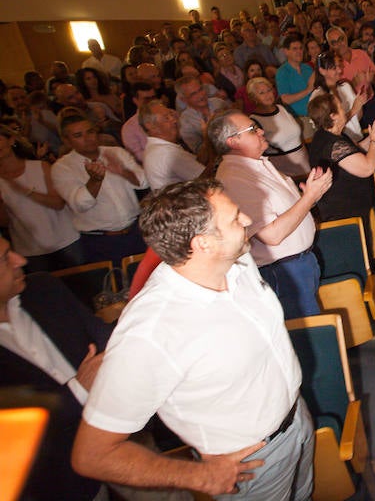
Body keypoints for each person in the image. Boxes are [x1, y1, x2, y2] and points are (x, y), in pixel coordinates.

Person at [71, 180, 316, 500]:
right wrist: (198, 476)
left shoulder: (235, 263)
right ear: (203, 244)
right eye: (235, 218)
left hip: (297, 418)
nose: (246, 220)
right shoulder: (151, 333)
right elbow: (93, 455)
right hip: (252, 464)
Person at [0, 239, 111, 500]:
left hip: (120, 435)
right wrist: (77, 392)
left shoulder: (43, 288)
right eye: (5, 258)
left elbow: (103, 339)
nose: (21, 260)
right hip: (58, 484)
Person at [210, 109, 332, 319]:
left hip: (297, 264)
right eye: (252, 129)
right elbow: (271, 235)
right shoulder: (235, 179)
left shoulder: (255, 165)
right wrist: (309, 198)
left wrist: (309, 193)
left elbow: (287, 211)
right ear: (233, 142)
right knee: (305, 334)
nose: (260, 131)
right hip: (283, 272)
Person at [51, 112, 147, 264]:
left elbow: (144, 181)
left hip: (135, 230)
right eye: (78, 135)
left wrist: (124, 172)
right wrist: (95, 180)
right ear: (67, 141)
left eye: (90, 132)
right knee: (116, 284)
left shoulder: (115, 152)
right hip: (100, 240)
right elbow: (80, 204)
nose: (88, 138)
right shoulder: (63, 168)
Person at [306, 93, 375, 248]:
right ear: (333, 116)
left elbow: (354, 152)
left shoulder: (329, 136)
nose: (344, 109)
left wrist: (373, 138)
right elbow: (367, 167)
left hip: (351, 207)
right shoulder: (332, 144)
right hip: (344, 213)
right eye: (340, 106)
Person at [0, 124, 82, 272]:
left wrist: (26, 191)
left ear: (11, 140)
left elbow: (58, 203)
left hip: (65, 240)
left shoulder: (40, 167)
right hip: (30, 249)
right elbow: (5, 222)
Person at [247, 77, 311, 178]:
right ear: (253, 98)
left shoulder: (281, 108)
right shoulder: (254, 120)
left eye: (269, 90)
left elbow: (297, 137)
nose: (268, 95)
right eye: (262, 93)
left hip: (306, 166)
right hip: (286, 174)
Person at [140, 101, 206, 191]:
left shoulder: (156, 148)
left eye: (171, 115)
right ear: (151, 126)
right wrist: (208, 138)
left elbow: (196, 163)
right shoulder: (166, 153)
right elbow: (206, 177)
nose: (174, 120)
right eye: (166, 118)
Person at [308, 50, 366, 143]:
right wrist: (353, 110)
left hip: (356, 137)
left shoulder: (345, 86)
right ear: (322, 71)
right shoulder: (318, 96)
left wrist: (359, 104)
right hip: (339, 144)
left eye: (339, 66)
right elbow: (328, 128)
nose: (339, 70)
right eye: (334, 68)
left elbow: (357, 117)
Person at [275, 35, 316, 117]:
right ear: (286, 51)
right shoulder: (282, 72)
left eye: (301, 48)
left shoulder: (307, 68)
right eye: (295, 49)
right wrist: (308, 90)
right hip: (298, 118)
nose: (299, 52)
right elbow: (285, 99)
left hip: (315, 114)